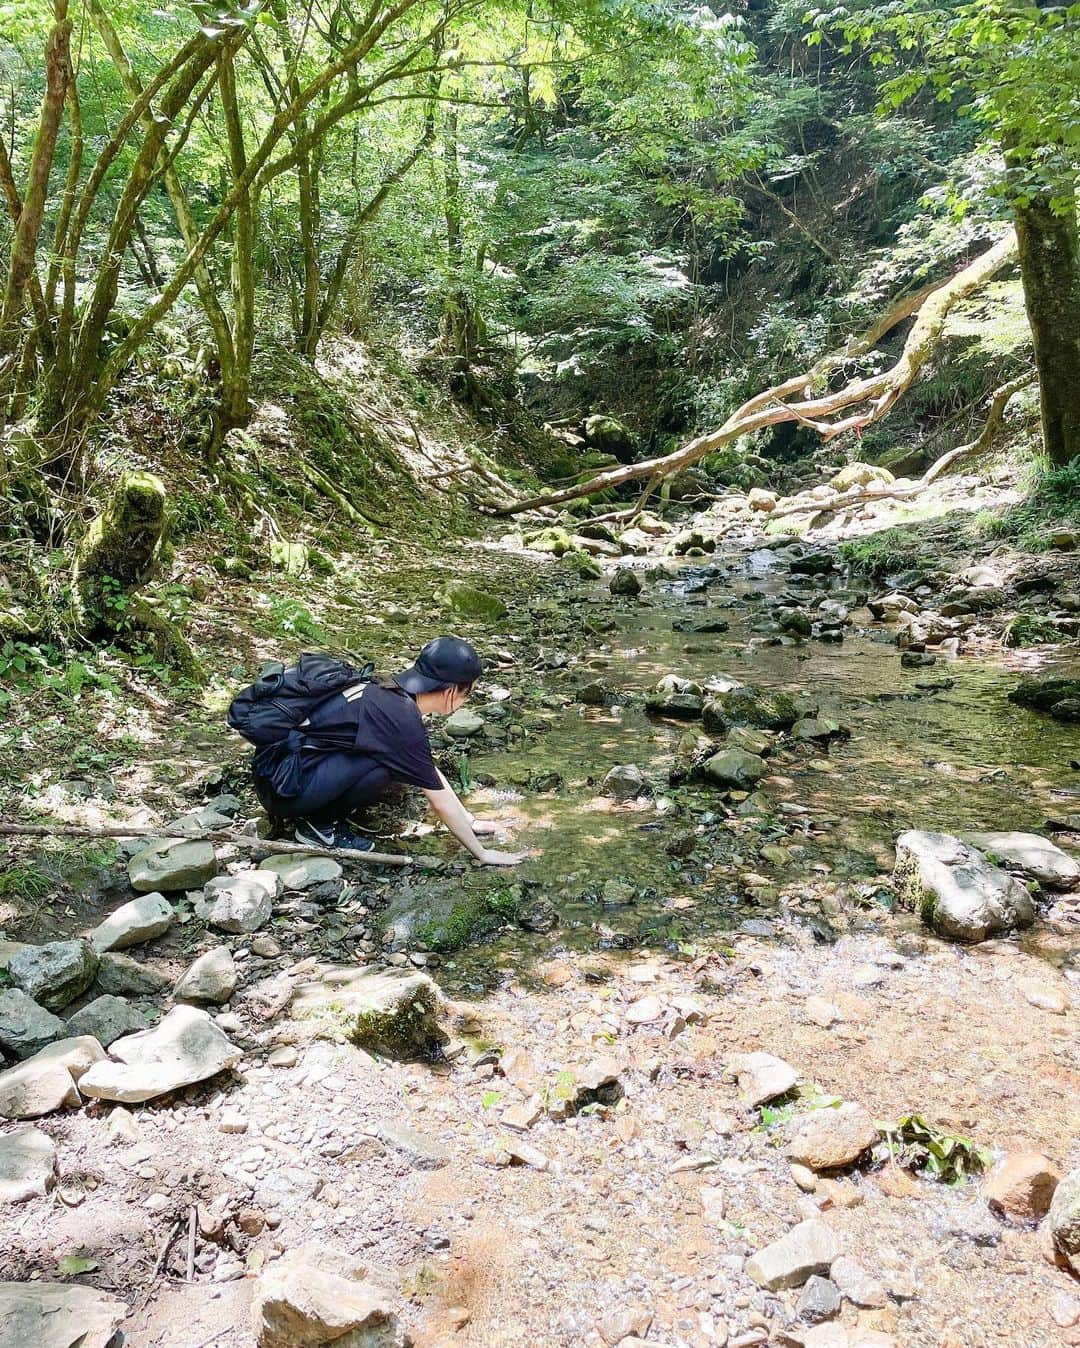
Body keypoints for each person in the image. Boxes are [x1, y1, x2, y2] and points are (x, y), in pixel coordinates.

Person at [251, 635, 527, 866]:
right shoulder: (401, 719)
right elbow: (437, 798)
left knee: (389, 759)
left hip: (276, 773)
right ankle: (318, 827)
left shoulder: (388, 691)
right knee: (382, 766)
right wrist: (482, 853)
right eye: (468, 694)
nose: (466, 702)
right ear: (451, 691)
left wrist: (469, 821)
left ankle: (317, 816)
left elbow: (425, 768)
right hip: (283, 789)